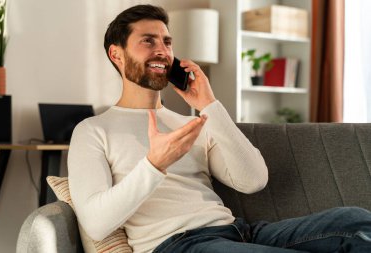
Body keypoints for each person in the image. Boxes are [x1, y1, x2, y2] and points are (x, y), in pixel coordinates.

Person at [68, 4, 371, 253]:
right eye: (148, 41)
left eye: (167, 42)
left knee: (355, 222)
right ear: (116, 54)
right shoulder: (93, 130)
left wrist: (210, 104)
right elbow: (96, 223)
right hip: (179, 244)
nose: (162, 50)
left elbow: (253, 180)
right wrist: (154, 164)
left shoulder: (192, 122)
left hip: (240, 232)